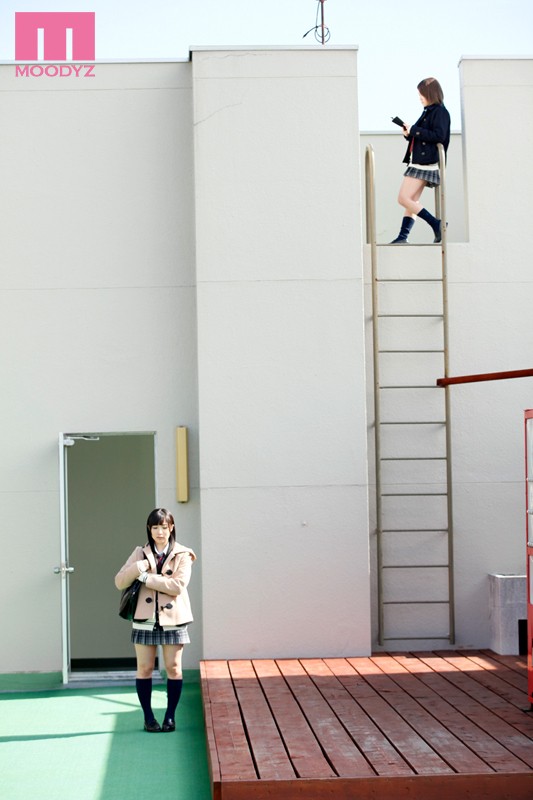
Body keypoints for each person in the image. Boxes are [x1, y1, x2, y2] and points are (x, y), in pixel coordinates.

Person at [115, 508, 196, 732]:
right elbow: (119, 581)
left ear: (171, 528)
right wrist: (138, 568)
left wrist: (147, 579)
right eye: (155, 527)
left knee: (173, 668)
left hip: (174, 618)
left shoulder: (183, 554)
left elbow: (177, 586)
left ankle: (170, 716)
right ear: (149, 530)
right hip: (145, 618)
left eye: (164, 527)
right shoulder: (139, 553)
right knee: (145, 668)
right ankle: (148, 718)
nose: (160, 532)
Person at [391, 77, 451, 244]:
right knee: (411, 201)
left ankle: (436, 224)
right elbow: (423, 135)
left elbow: (439, 136)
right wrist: (409, 133)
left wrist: (414, 130)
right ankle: (402, 237)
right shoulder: (429, 112)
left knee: (403, 198)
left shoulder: (440, 112)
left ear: (430, 93)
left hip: (426, 162)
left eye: (422, 94)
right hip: (420, 161)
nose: (420, 98)